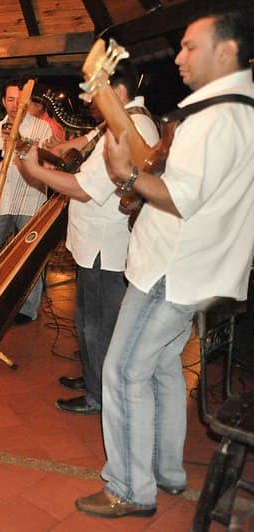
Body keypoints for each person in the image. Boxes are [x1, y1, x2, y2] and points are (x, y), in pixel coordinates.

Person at [74, 8, 254, 518]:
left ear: (226, 51)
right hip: (203, 271)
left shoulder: (215, 117)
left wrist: (125, 178)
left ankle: (130, 488)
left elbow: (179, 197)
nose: (178, 57)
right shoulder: (241, 111)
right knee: (162, 371)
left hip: (171, 270)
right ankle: (167, 470)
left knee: (124, 370)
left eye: (190, 46)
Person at [16, 63, 160, 416]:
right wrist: (57, 147)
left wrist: (35, 171)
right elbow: (80, 144)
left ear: (117, 92)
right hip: (94, 243)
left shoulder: (130, 128)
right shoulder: (122, 119)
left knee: (97, 324)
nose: (88, 98)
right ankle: (93, 376)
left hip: (103, 246)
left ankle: (99, 394)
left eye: (96, 90)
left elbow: (83, 188)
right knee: (86, 320)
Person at [0, 82, 53, 323]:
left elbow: (47, 167)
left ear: (26, 102)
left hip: (30, 199)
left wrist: (20, 148)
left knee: (30, 256)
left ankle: (28, 308)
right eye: (10, 99)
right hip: (1, 199)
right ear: (3, 102)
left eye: (19, 100)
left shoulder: (42, 128)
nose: (14, 104)